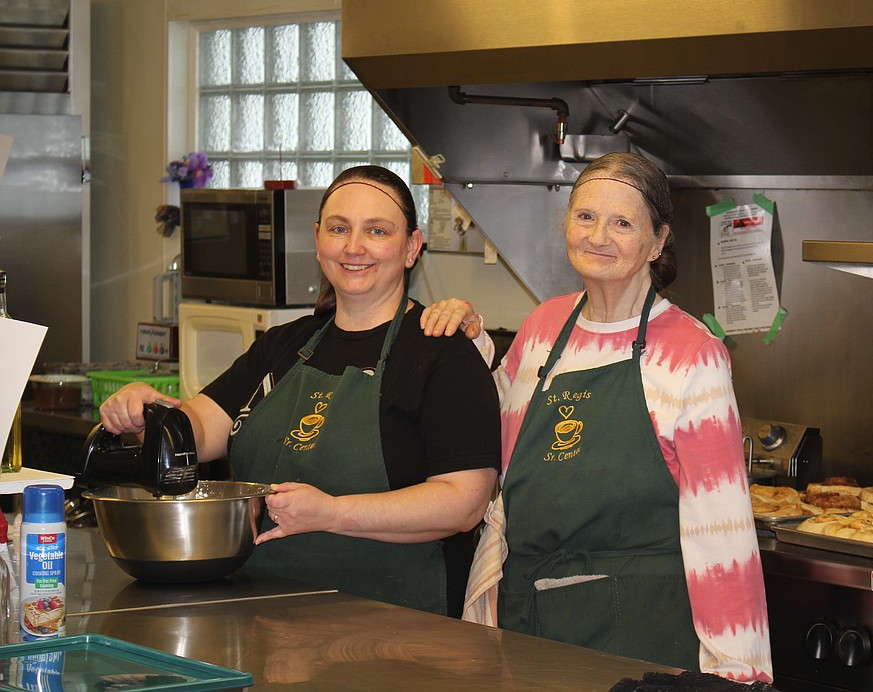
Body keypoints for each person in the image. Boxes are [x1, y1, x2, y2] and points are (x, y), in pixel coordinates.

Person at [421, 152, 772, 682]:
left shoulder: (692, 354)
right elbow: (485, 427)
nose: (598, 236)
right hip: (526, 624)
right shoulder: (544, 325)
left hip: (637, 642)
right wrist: (468, 343)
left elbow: (722, 531)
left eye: (622, 223)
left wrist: (739, 675)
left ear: (657, 242)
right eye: (585, 217)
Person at [99, 165, 501, 617]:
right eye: (339, 228)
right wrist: (148, 412)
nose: (354, 247)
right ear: (317, 239)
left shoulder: (443, 354)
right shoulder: (283, 345)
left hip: (398, 628)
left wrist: (332, 513)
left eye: (377, 231)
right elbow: (193, 431)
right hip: (267, 614)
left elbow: (463, 502)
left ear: (411, 247)